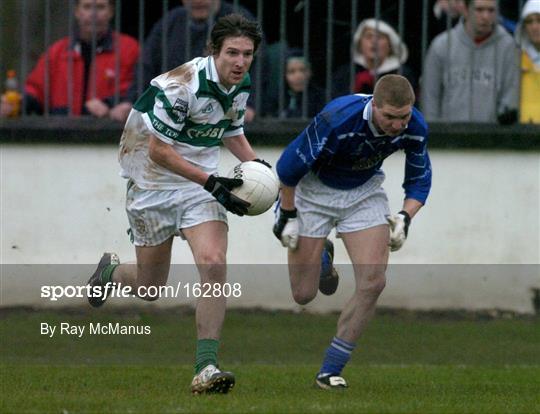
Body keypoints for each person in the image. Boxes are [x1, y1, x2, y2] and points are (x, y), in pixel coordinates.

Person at [86, 14, 267, 394]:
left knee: (214, 263)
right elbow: (159, 150)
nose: (240, 62)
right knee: (151, 288)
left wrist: (255, 166)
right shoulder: (179, 87)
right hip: (152, 181)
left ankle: (206, 368)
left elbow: (231, 129)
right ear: (213, 51)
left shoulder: (240, 83)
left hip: (198, 183)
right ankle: (111, 273)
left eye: (247, 54)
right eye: (232, 53)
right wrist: (212, 182)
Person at [273, 74, 432, 390]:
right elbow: (288, 169)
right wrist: (288, 216)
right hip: (312, 191)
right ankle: (322, 258)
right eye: (389, 117)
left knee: (374, 282)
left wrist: (404, 217)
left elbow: (419, 180)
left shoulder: (415, 126)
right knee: (303, 295)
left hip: (363, 192)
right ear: (374, 104)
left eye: (403, 117)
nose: (397, 125)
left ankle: (330, 369)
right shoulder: (337, 117)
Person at [118, 0, 261, 123]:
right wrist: (132, 101)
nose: (198, 1)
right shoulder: (170, 22)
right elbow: (146, 66)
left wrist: (250, 104)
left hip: (222, 110)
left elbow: (257, 67)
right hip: (173, 110)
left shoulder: (240, 21)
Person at [0, 0, 139, 120]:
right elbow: (36, 90)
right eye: (87, 7)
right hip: (61, 136)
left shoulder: (129, 49)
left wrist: (110, 104)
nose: (93, 13)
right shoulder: (57, 51)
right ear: (77, 12)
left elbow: (138, 90)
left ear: (111, 12)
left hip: (109, 134)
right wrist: (17, 104)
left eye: (101, 7)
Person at [422, 0, 519, 124]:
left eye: (491, 10)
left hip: (494, 138)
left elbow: (510, 96)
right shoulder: (441, 45)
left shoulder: (508, 46)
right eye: (479, 10)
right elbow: (430, 99)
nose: (485, 16)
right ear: (465, 10)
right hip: (447, 138)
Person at [332, 19, 417, 100]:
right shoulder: (345, 72)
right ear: (359, 43)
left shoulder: (402, 74)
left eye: (380, 37)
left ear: (391, 45)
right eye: (368, 36)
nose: (374, 41)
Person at [264, 49, 325, 118]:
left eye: (302, 70)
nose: (298, 76)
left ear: (310, 72)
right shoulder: (277, 97)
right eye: (292, 71)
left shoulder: (320, 97)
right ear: (285, 75)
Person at [515, 0, 540, 123]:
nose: (535, 27)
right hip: (523, 135)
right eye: (529, 21)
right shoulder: (515, 60)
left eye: (539, 20)